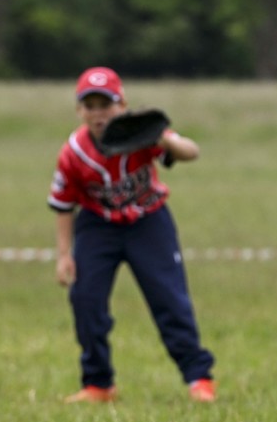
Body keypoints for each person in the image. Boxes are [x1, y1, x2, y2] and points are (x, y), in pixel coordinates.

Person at [48, 67, 217, 404]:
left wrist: (165, 139)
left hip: (148, 222)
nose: (99, 114)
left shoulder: (140, 133)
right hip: (98, 226)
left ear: (121, 104)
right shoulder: (73, 153)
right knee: (86, 299)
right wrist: (64, 254)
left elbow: (191, 152)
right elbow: (63, 203)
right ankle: (98, 384)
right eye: (90, 105)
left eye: (106, 104)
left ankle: (198, 377)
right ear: (80, 110)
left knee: (169, 298)